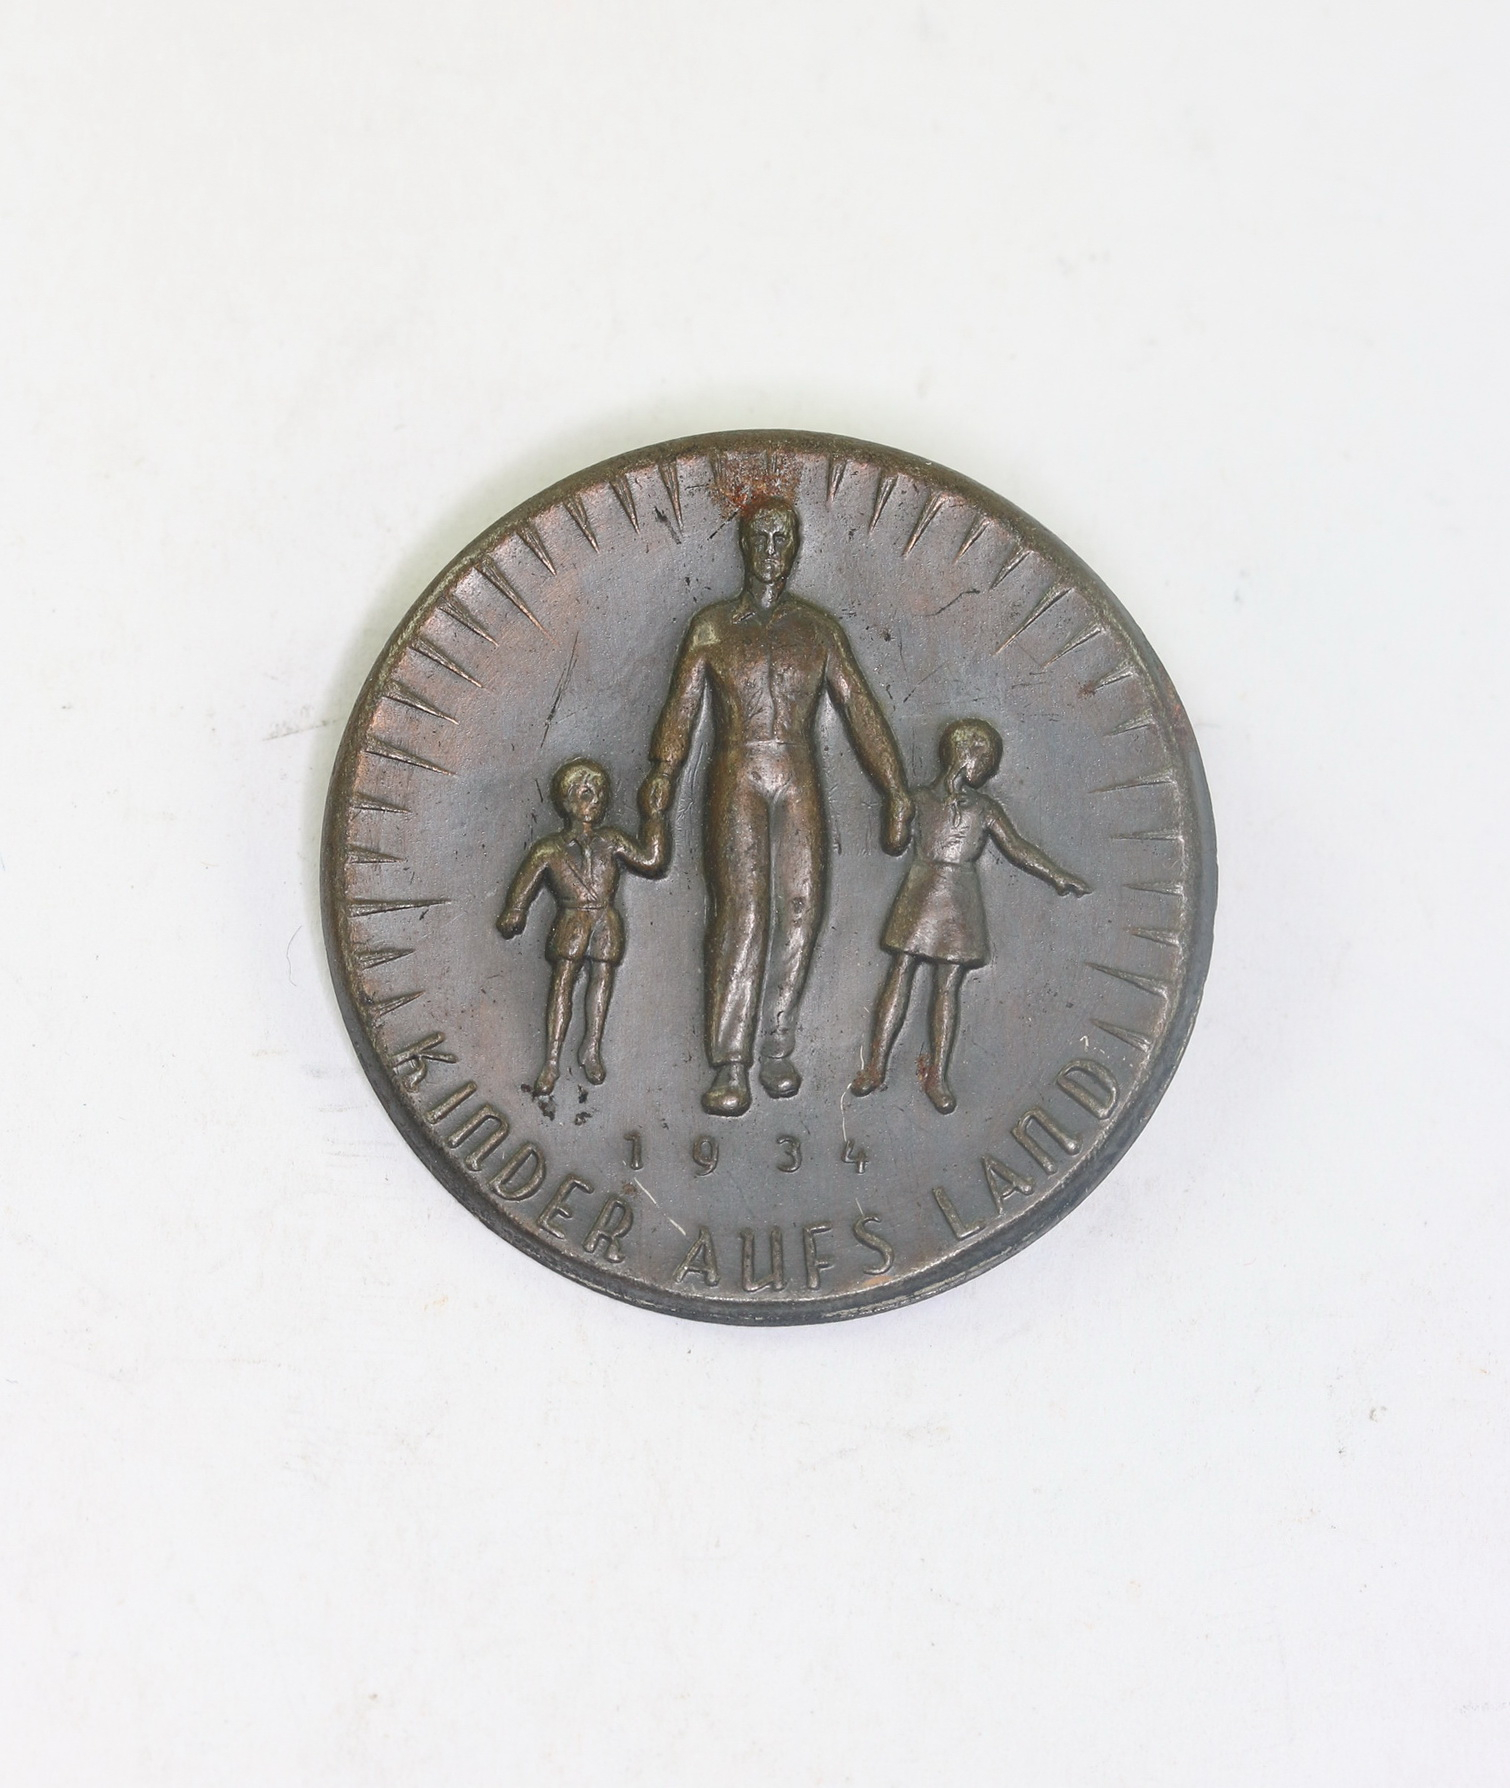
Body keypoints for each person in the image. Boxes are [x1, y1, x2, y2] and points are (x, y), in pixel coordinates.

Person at [640, 499, 911, 1117]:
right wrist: (663, 772)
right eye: (761, 536)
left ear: (794, 547)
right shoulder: (712, 628)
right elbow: (681, 708)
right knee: (743, 911)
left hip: (797, 771)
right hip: (736, 769)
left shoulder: (816, 630)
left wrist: (893, 787)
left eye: (781, 538)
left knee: (802, 907)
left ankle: (778, 1043)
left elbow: (857, 706)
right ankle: (730, 1062)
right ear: (743, 544)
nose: (770, 549)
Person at [850, 719, 1089, 1114]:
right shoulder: (918, 800)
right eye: (986, 761)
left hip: (960, 898)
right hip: (921, 889)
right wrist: (897, 813)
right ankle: (875, 1066)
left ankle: (936, 1076)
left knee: (948, 986)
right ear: (966, 757)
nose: (989, 770)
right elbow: (893, 845)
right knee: (901, 971)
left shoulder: (984, 809)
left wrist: (1056, 875)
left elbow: (1016, 848)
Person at [498, 757, 669, 1098]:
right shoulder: (549, 849)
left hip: (605, 921)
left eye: (600, 793)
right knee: (563, 984)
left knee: (601, 981)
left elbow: (651, 861)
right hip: (572, 920)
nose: (594, 800)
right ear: (566, 800)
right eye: (585, 792)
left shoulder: (611, 840)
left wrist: (654, 816)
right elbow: (526, 884)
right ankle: (551, 1060)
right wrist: (515, 911)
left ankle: (591, 1049)